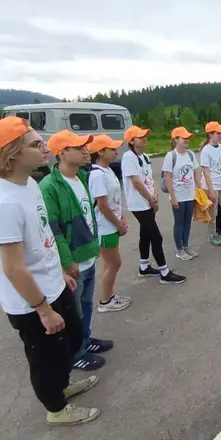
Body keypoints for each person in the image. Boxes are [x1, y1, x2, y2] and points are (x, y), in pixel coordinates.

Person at [0, 116, 100, 426]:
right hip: (32, 303)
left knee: (70, 341)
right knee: (46, 359)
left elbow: (43, 237)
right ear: (11, 154)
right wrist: (43, 309)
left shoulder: (29, 184)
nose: (45, 146)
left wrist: (60, 271)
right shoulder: (5, 203)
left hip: (54, 284)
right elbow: (14, 268)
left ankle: (61, 386)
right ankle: (56, 408)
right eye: (35, 144)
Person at [39, 130, 113, 371]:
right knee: (74, 311)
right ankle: (76, 353)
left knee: (86, 305)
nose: (85, 151)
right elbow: (53, 229)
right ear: (61, 153)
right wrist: (66, 262)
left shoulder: (81, 176)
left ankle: (85, 339)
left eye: (85, 146)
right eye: (78, 147)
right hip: (72, 262)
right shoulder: (49, 186)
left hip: (88, 254)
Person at [121, 126, 186, 284]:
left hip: (148, 201)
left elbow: (149, 178)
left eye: (144, 136)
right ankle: (164, 272)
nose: (144, 138)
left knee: (146, 234)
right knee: (156, 237)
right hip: (139, 204)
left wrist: (155, 194)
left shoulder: (143, 156)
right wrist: (151, 198)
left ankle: (144, 266)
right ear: (131, 141)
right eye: (140, 137)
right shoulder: (128, 157)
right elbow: (136, 182)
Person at [87, 134, 131, 313]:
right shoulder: (97, 175)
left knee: (109, 263)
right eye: (111, 149)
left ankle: (109, 295)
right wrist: (118, 224)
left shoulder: (108, 170)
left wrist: (121, 218)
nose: (116, 151)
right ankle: (105, 301)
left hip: (112, 223)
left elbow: (115, 200)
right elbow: (103, 205)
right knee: (114, 263)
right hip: (105, 226)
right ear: (100, 152)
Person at [162, 127, 201, 261]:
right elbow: (167, 177)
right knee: (179, 223)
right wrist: (173, 198)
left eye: (188, 138)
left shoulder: (190, 154)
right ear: (176, 140)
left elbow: (195, 171)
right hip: (178, 196)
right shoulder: (171, 156)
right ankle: (179, 250)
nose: (187, 140)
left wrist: (199, 187)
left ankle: (186, 246)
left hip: (190, 194)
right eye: (184, 138)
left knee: (187, 222)